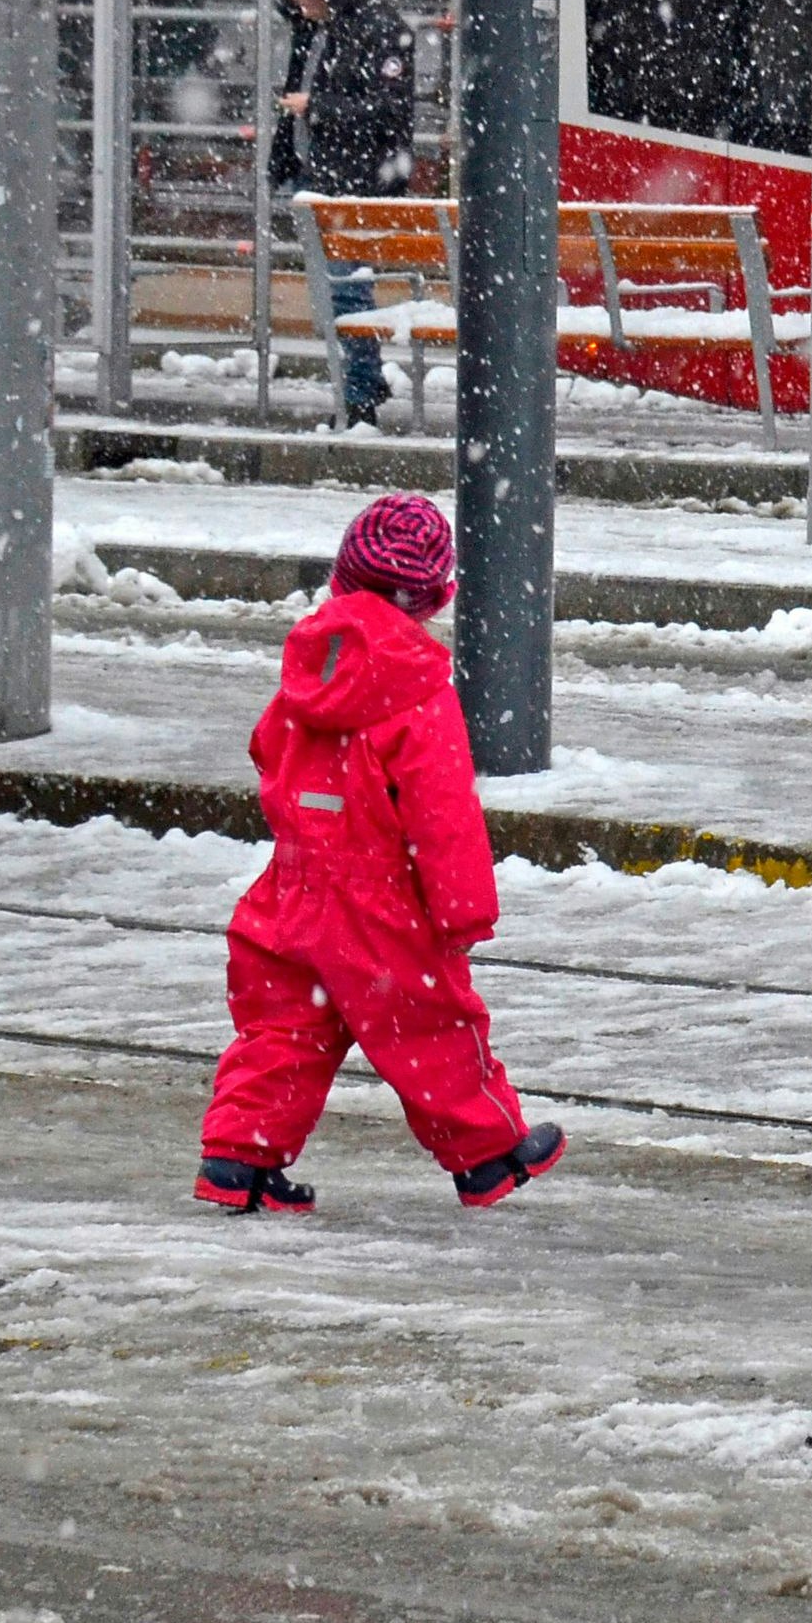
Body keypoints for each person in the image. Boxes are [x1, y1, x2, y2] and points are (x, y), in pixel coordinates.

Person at [196, 494, 565, 1214]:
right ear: (438, 597)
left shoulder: (310, 663)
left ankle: (237, 1161)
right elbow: (443, 813)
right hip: (381, 898)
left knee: (281, 1030)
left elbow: (267, 749)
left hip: (292, 886)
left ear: (339, 578)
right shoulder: (419, 689)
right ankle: (487, 1155)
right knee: (433, 1027)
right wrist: (462, 912)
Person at [277, 0, 413, 428]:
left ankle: (359, 392)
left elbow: (388, 109)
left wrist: (316, 108)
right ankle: (361, 382)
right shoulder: (322, 31)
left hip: (354, 181)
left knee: (347, 290)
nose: (299, 5)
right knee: (341, 289)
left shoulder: (374, 33)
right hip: (325, 176)